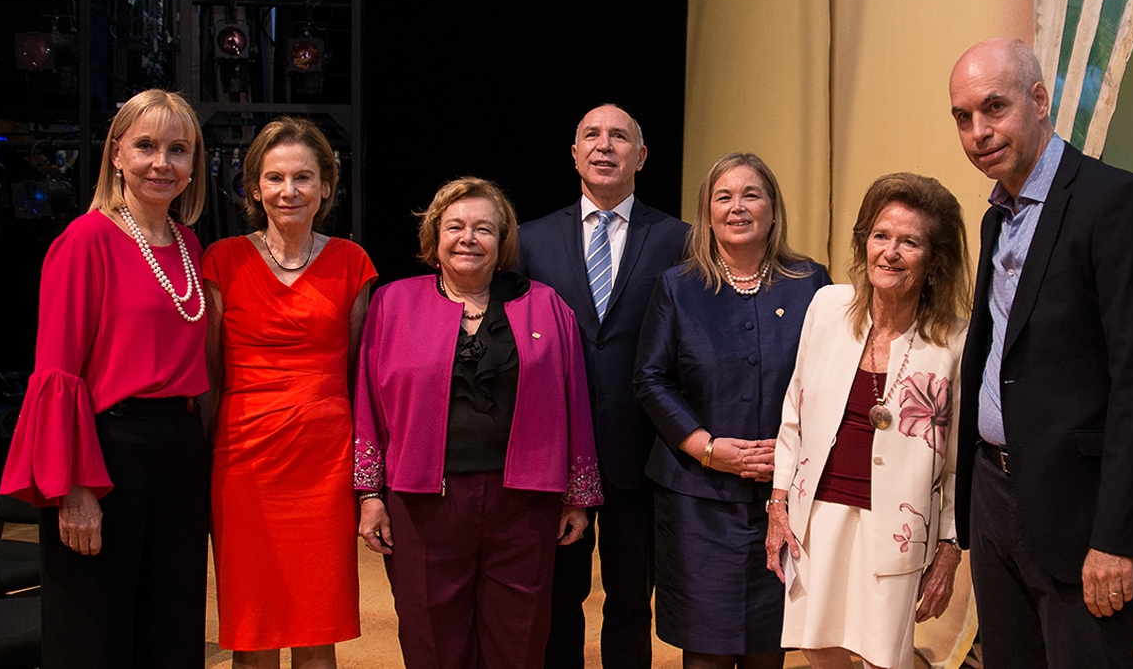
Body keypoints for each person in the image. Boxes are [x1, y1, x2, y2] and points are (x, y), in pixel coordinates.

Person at [948, 38, 1133, 668]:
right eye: (963, 117)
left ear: (1039, 99)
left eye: (993, 107)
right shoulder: (998, 216)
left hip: (1083, 514)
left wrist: (1117, 538)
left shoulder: (1116, 202)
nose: (978, 131)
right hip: (997, 501)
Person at [0, 89, 210, 667]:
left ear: (194, 164)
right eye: (145, 146)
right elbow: (56, 374)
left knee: (172, 631)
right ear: (116, 154)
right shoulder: (86, 240)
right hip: (106, 453)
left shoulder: (190, 245)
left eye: (178, 149)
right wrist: (75, 488)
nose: (162, 163)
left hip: (179, 454)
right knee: (93, 637)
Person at [353, 177, 602, 668]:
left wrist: (578, 495)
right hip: (423, 503)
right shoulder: (393, 303)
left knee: (520, 640)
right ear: (435, 237)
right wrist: (369, 494)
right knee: (431, 640)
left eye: (484, 228)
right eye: (455, 226)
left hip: (525, 505)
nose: (468, 238)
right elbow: (368, 400)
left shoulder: (546, 306)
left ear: (502, 241)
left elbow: (575, 402)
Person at [765, 173, 971, 669]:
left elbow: (961, 460)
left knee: (885, 658)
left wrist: (950, 546)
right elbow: (793, 414)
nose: (890, 253)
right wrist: (778, 504)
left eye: (910, 242)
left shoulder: (954, 341)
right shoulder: (827, 306)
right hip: (817, 517)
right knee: (819, 648)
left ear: (935, 258)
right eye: (881, 236)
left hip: (897, 526)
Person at [635, 152, 830, 668]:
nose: (737, 207)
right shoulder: (676, 286)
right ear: (707, 211)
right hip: (697, 501)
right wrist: (708, 448)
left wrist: (792, 458)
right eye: (723, 196)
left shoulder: (812, 283)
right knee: (707, 654)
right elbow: (651, 379)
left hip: (783, 498)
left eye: (751, 195)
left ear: (773, 208)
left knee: (769, 648)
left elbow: (830, 380)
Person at [518, 103, 688, 669]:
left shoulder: (679, 241)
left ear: (640, 156)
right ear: (574, 154)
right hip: (554, 453)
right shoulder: (529, 241)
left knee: (631, 602)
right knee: (558, 599)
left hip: (638, 452)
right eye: (591, 135)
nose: (604, 145)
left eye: (619, 136)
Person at [203, 117, 375, 669]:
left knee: (315, 624)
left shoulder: (353, 264)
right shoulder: (222, 261)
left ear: (327, 184)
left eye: (304, 177)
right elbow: (210, 372)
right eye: (275, 178)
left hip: (323, 462)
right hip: (244, 461)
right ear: (254, 187)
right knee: (253, 628)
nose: (289, 191)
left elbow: (357, 373)